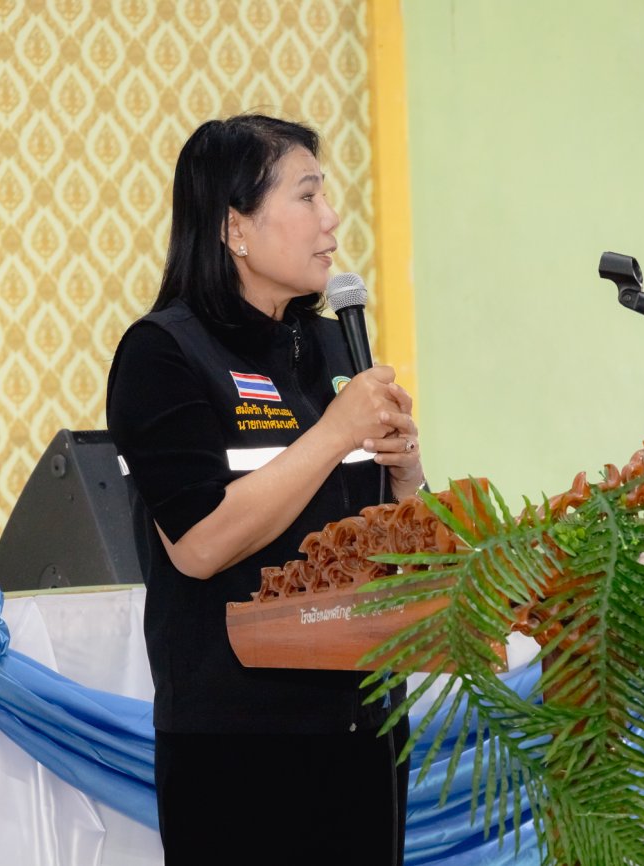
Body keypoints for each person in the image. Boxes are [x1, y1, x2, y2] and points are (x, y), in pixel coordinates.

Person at [106, 114, 424, 864]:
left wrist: (407, 476)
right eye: (306, 196)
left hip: (366, 725)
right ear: (234, 228)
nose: (331, 218)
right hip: (240, 744)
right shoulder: (162, 354)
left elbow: (386, 542)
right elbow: (199, 545)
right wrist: (335, 434)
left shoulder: (332, 345)